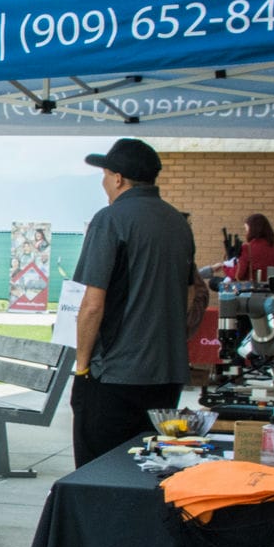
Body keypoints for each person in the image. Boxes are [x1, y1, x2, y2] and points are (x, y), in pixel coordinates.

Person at [69, 137, 198, 467]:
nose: (103, 183)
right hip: (167, 374)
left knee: (98, 475)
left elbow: (93, 304)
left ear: (117, 178)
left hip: (115, 374)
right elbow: (192, 295)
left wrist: (82, 368)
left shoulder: (110, 219)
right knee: (152, 470)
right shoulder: (178, 223)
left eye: (104, 174)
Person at [200, 212, 274, 282]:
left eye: (247, 229)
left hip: (248, 287)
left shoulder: (248, 248)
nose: (246, 232)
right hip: (265, 286)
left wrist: (224, 267)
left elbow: (237, 274)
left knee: (213, 282)